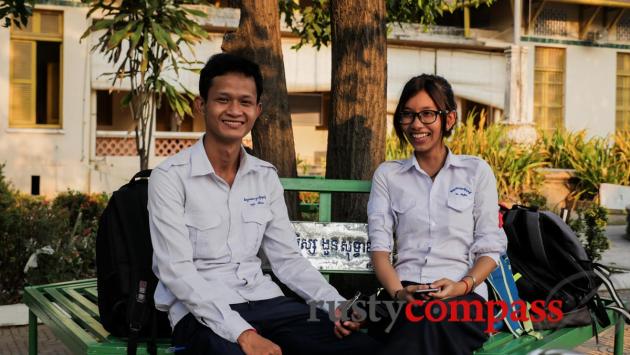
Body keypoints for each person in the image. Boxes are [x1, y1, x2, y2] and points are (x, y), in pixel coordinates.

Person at [148, 53, 380, 355]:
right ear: (201, 105)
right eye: (223, 100)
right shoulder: (170, 177)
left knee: (363, 348)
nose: (234, 111)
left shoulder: (263, 176)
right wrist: (242, 333)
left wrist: (334, 305)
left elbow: (286, 259)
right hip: (201, 310)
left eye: (245, 102)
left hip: (266, 301)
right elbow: (177, 271)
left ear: (257, 110)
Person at [367, 74, 507, 354]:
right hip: (405, 291)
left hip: (463, 294)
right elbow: (379, 251)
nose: (416, 124)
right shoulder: (388, 175)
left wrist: (462, 286)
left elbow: (491, 247)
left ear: (449, 119)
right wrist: (399, 293)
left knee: (429, 320)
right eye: (408, 115)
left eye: (427, 114)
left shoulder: (476, 172)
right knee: (420, 317)